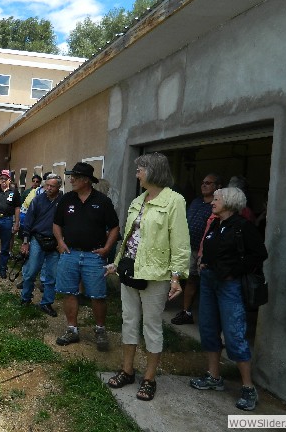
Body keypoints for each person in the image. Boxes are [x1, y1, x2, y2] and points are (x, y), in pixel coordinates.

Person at [105, 152, 189, 401]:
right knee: (129, 322)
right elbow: (128, 238)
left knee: (152, 327)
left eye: (140, 169)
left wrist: (177, 277)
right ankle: (127, 370)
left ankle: (149, 378)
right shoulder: (138, 200)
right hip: (131, 271)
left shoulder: (174, 201)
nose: (137, 174)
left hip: (156, 275)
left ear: (152, 171)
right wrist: (117, 264)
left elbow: (181, 242)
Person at [190, 187, 268, 411]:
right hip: (209, 281)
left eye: (217, 199)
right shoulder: (216, 223)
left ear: (230, 203)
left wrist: (234, 271)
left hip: (229, 286)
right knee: (208, 328)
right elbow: (213, 249)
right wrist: (204, 262)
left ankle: (248, 388)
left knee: (234, 333)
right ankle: (214, 377)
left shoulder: (243, 227)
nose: (212, 202)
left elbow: (259, 254)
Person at [53, 162, 119, 351]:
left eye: (75, 176)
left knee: (98, 295)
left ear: (86, 180)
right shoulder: (66, 200)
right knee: (69, 292)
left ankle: (100, 330)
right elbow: (57, 224)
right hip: (70, 253)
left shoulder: (102, 201)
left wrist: (107, 248)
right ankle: (72, 330)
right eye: (71, 176)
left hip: (94, 256)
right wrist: (60, 242)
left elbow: (115, 227)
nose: (71, 179)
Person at [172, 173, 222, 325]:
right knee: (187, 279)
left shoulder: (218, 205)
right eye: (203, 182)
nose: (204, 185)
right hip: (187, 248)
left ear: (217, 186)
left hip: (203, 251)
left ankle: (210, 319)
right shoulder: (196, 201)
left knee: (202, 282)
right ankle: (186, 312)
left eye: (208, 183)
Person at [20, 173, 63, 317]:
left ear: (59, 187)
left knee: (52, 275)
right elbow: (28, 222)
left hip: (55, 243)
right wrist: (26, 242)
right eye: (47, 185)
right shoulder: (37, 200)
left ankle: (46, 303)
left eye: (52, 186)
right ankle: (26, 298)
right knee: (31, 272)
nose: (49, 188)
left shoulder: (63, 202)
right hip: (37, 240)